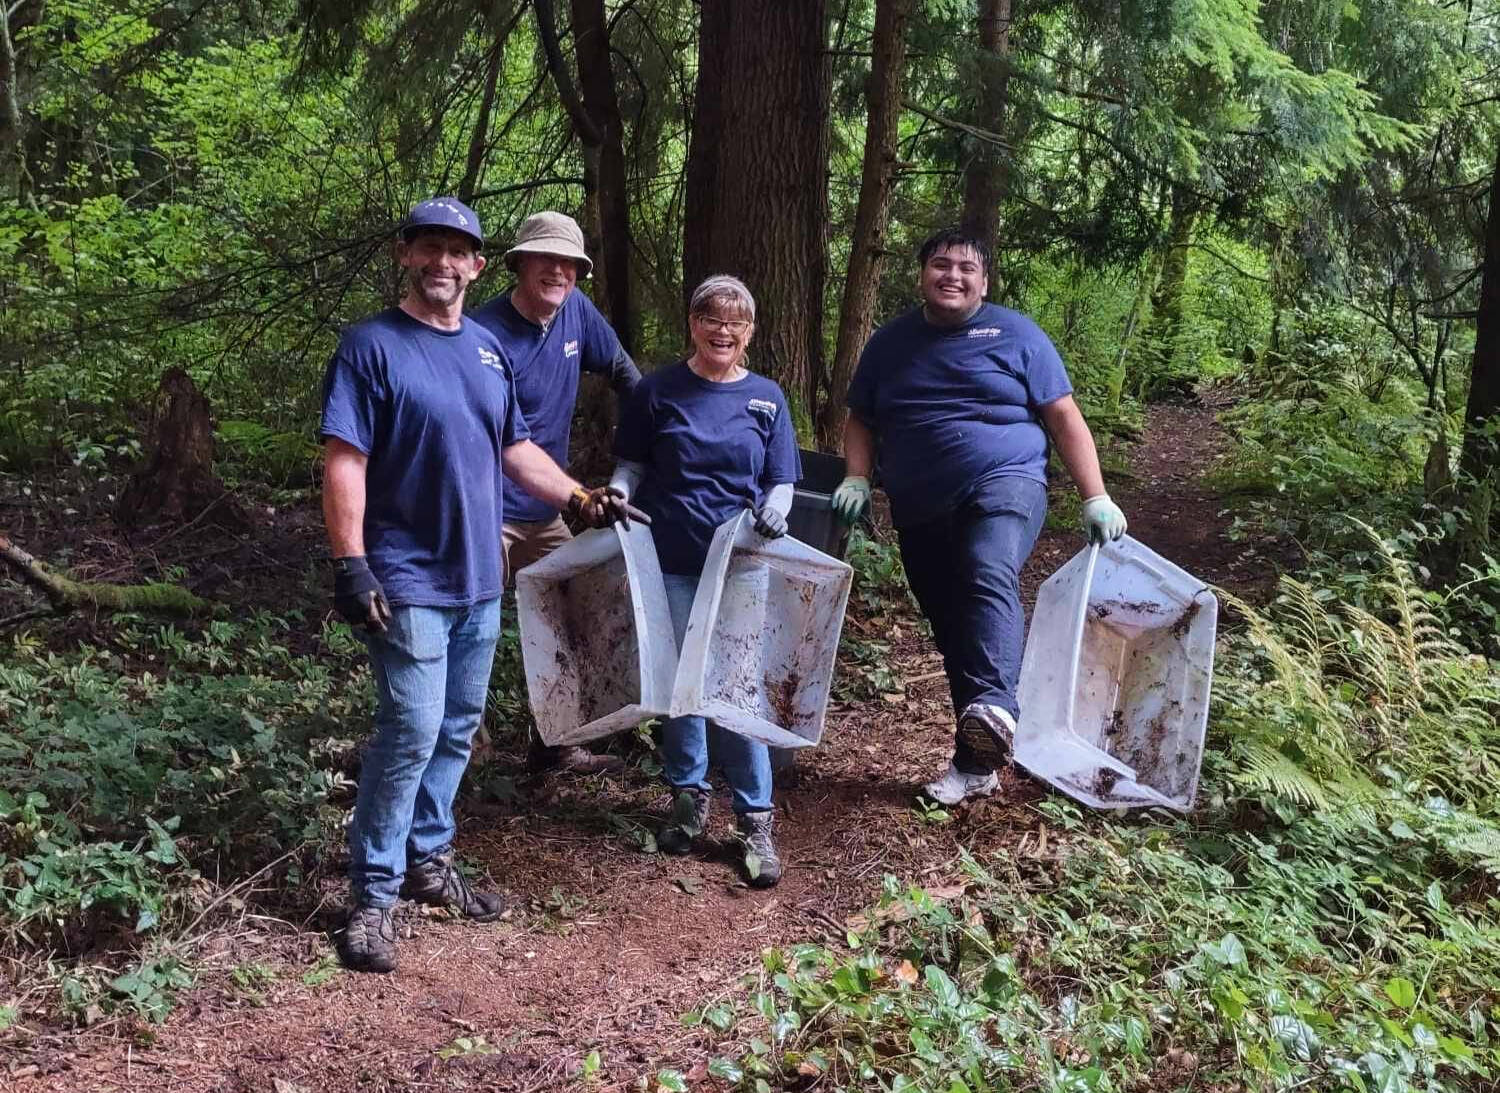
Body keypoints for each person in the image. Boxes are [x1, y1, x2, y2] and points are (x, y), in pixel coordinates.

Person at [320, 197, 644, 973]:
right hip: (406, 575)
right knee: (410, 728)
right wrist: (349, 560)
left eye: (456, 251)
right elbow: (344, 459)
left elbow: (517, 448)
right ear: (407, 255)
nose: (442, 262)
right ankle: (374, 890)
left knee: (458, 723)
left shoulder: (485, 351)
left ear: (474, 263)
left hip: (475, 578)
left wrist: (575, 496)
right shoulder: (371, 346)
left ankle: (429, 859)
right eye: (428, 247)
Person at [832, 227, 1127, 807]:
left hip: (1006, 480)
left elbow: (1063, 416)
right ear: (922, 275)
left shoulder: (1018, 335)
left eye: (966, 268)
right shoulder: (891, 344)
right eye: (940, 265)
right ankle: (977, 761)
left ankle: (996, 704)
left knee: (986, 567)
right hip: (919, 505)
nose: (952, 275)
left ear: (983, 281)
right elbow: (861, 418)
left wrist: (1095, 495)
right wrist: (857, 475)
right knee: (951, 626)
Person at [607, 275, 801, 887]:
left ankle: (755, 820)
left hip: (740, 564)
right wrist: (616, 495)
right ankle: (687, 803)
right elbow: (632, 464)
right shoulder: (658, 391)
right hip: (668, 558)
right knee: (679, 686)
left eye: (737, 323)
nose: (724, 330)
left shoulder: (767, 398)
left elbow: (781, 477)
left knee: (736, 689)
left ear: (750, 333)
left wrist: (780, 508)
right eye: (711, 318)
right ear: (693, 323)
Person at [472, 211, 641, 775]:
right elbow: (499, 441)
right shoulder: (482, 335)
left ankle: (557, 742)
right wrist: (575, 495)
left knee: (576, 613)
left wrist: (652, 437)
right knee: (473, 626)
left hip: (545, 510)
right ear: (518, 264)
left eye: (568, 263)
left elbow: (623, 372)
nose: (557, 271)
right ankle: (465, 750)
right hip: (484, 509)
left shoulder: (575, 313)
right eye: (545, 258)